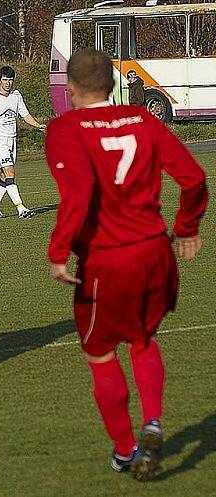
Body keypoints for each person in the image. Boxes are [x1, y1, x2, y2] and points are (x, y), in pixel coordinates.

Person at [45, 48, 208, 481]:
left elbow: (77, 196)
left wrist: (58, 252)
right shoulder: (144, 120)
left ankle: (124, 450)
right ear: (114, 85)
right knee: (142, 339)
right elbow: (193, 178)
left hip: (106, 258)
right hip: (155, 251)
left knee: (100, 351)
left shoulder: (65, 129)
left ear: (72, 89)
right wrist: (187, 226)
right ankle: (153, 419)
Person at [0, 65, 46, 219]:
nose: (8, 83)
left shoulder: (16, 95)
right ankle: (21, 209)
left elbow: (25, 115)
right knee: (10, 172)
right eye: (5, 79)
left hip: (12, 139)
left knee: (4, 176)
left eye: (10, 79)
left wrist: (38, 125)